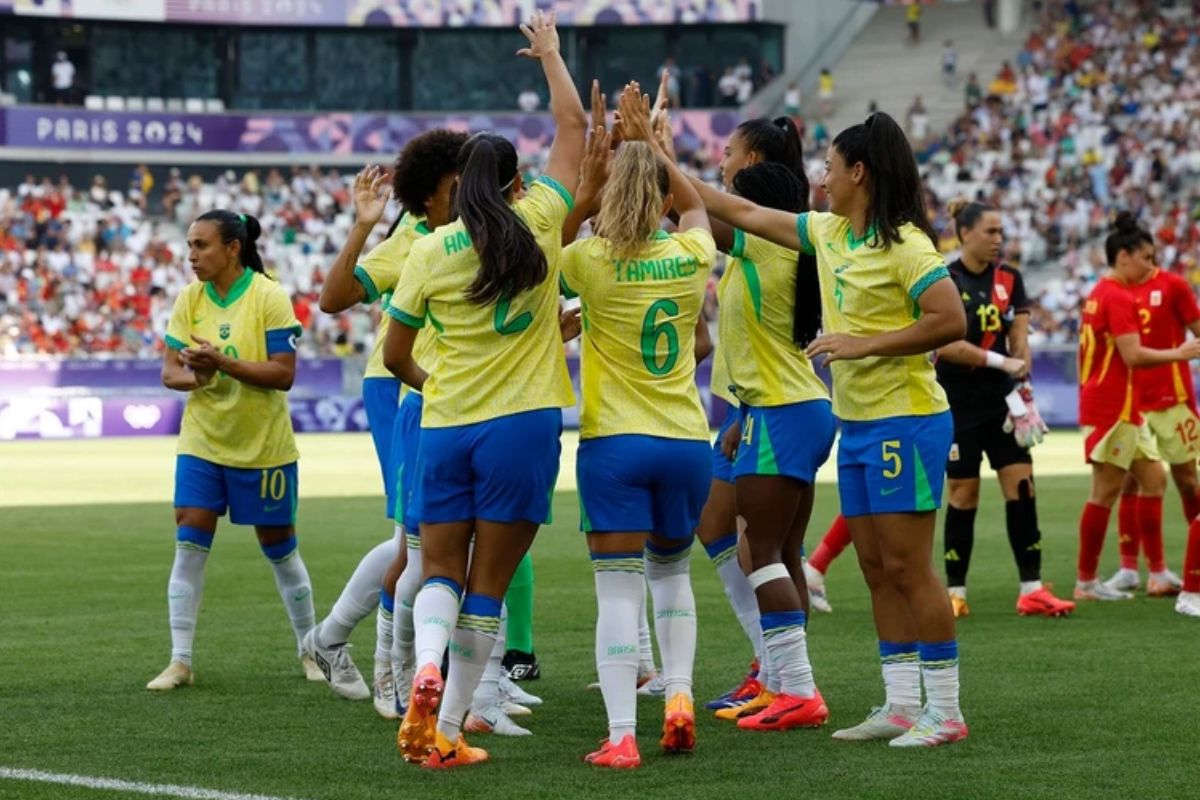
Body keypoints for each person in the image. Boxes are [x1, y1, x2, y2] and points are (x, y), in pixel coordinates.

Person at [676, 112, 972, 748]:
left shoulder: (908, 245)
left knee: (909, 567)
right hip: (858, 421)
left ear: (858, 174)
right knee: (872, 566)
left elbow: (950, 320)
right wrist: (653, 148)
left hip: (907, 419)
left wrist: (865, 344)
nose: (822, 177)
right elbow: (738, 208)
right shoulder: (829, 233)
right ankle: (899, 703)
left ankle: (944, 710)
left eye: (831, 169)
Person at [383, 9, 586, 769]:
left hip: (448, 424)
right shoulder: (537, 219)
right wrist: (550, 56)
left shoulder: (429, 250)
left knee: (437, 568)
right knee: (489, 585)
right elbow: (573, 129)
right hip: (524, 425)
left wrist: (435, 386)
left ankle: (424, 666)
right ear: (514, 181)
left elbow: (397, 353)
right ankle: (449, 728)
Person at [560, 102, 715, 766]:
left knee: (617, 590)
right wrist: (656, 148)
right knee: (673, 578)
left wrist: (589, 185)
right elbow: (700, 208)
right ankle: (678, 695)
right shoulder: (688, 255)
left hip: (615, 444)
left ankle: (622, 734)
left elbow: (542, 244)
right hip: (685, 439)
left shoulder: (589, 260)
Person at [305, 129, 466, 719]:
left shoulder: (472, 230)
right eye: (460, 182)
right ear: (431, 194)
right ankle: (385, 672)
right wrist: (364, 225)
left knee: (426, 536)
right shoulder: (416, 238)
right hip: (401, 384)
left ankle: (334, 640)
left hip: (443, 391)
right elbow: (335, 297)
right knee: (416, 535)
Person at [684, 116, 819, 720]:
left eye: (731, 152)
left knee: (761, 551)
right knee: (726, 529)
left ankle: (794, 688)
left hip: (782, 408)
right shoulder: (769, 243)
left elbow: (691, 208)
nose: (721, 161)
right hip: (763, 406)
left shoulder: (766, 238)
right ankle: (774, 671)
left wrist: (652, 151)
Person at [148, 210, 316, 692]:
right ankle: (180, 661)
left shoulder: (269, 295)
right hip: (202, 440)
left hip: (262, 446)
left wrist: (221, 362)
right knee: (189, 536)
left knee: (279, 546)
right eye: (190, 245)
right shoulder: (189, 299)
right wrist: (198, 376)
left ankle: (311, 648)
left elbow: (283, 374)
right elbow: (169, 373)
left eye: (201, 245)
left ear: (233, 248)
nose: (191, 256)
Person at [933, 200, 1075, 618]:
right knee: (963, 493)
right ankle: (955, 593)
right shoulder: (946, 278)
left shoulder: (1010, 278)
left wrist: (1022, 370)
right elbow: (945, 345)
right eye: (990, 232)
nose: (999, 240)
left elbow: (1019, 334)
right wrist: (1003, 361)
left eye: (1001, 232)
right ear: (965, 234)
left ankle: (1031, 588)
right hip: (958, 403)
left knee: (1023, 486)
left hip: (1002, 402)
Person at [1074, 213, 1200, 602]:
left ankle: (1158, 572)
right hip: (1114, 407)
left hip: (1129, 408)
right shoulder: (1117, 296)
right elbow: (1131, 355)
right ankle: (1086, 581)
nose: (1152, 264)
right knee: (1106, 491)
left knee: (1154, 480)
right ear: (1124, 256)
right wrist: (1178, 353)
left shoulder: (1101, 292)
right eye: (1146, 256)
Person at [1103, 253, 1200, 600]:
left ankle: (1195, 567)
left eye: (1149, 254)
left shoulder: (1172, 284)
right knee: (1129, 483)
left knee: (1188, 482)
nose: (1145, 262)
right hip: (1132, 400)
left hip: (1172, 400)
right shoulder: (1116, 292)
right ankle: (1131, 568)